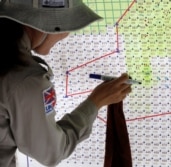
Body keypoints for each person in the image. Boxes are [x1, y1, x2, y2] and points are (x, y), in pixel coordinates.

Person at [0, 0, 132, 166]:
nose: (67, 34)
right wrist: (95, 102)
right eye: (66, 25)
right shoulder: (26, 81)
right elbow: (51, 152)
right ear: (45, 23)